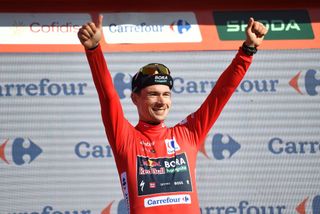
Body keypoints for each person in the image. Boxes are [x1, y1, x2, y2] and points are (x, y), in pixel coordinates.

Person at [77, 15, 268, 214]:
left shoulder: (188, 133)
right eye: (153, 94)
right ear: (135, 99)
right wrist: (94, 50)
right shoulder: (125, 138)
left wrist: (248, 50)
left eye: (166, 94)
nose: (161, 101)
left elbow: (221, 93)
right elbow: (108, 97)